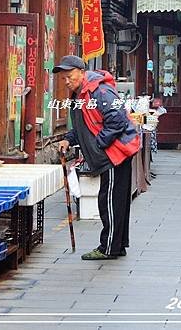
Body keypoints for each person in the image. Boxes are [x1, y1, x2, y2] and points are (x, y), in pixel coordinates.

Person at [53, 55, 140, 260]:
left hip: (114, 154)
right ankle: (117, 244)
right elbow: (83, 126)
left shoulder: (99, 91)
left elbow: (117, 121)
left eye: (70, 76)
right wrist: (68, 139)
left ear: (81, 72)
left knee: (108, 201)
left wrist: (98, 144)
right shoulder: (79, 95)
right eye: (63, 78)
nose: (67, 81)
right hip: (109, 154)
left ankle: (108, 247)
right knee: (116, 201)